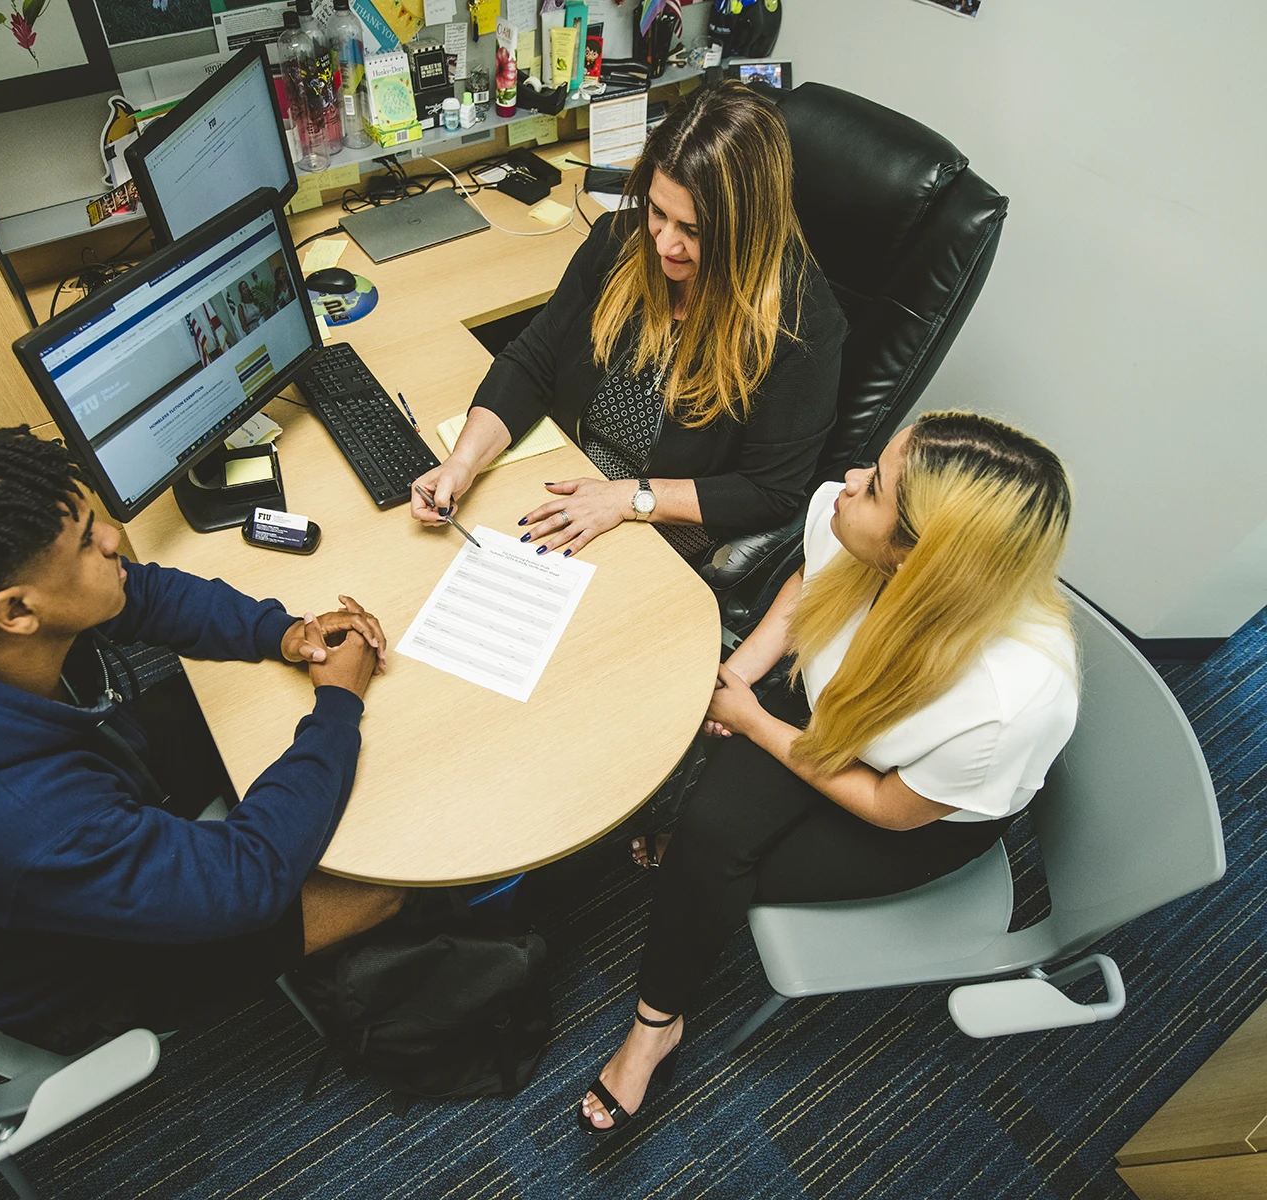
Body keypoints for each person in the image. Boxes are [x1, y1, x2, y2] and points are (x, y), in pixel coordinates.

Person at [0, 426, 405, 1055]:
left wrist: (279, 632)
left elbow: (138, 592)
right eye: (88, 541)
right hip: (75, 981)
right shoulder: (20, 816)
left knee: (271, 738)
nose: (114, 538)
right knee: (388, 882)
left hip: (68, 798)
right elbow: (242, 882)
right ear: (16, 613)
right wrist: (338, 703)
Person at [578, 411, 1079, 1135]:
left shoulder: (1006, 704)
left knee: (718, 864)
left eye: (872, 486)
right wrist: (743, 670)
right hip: (829, 710)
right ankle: (661, 1016)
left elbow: (888, 806)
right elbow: (813, 577)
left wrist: (752, 721)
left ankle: (654, 1022)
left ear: (915, 560)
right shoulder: (851, 522)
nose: (847, 482)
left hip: (912, 814)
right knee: (711, 833)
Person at [411, 82, 847, 565]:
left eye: (695, 231)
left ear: (748, 229)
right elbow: (533, 360)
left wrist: (628, 499)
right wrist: (462, 462)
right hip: (568, 476)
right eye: (659, 212)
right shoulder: (621, 243)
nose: (664, 246)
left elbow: (769, 493)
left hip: (664, 525)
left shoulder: (800, 329)